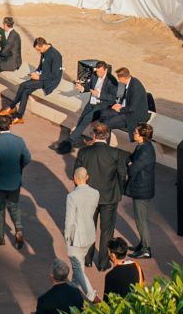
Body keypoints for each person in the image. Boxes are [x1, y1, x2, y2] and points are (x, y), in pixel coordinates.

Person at [74, 124, 128, 266]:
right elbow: (122, 175)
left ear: (94, 135)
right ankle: (103, 263)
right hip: (109, 197)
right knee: (107, 230)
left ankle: (87, 260)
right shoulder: (116, 153)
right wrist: (120, 190)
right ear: (108, 136)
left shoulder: (84, 152)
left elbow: (76, 174)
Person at [0, 113, 31, 252]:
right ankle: (18, 229)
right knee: (15, 206)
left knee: (0, 207)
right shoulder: (19, 140)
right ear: (10, 125)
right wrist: (19, 168)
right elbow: (27, 158)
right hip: (14, 179)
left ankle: (0, 236)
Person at [62, 166, 99, 297]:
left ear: (75, 178)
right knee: (80, 264)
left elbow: (69, 219)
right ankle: (72, 289)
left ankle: (91, 295)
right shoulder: (96, 193)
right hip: (90, 234)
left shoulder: (72, 196)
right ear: (87, 177)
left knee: (77, 268)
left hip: (76, 237)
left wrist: (67, 237)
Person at [6, 35, 60, 122]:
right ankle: (19, 117)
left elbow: (54, 74)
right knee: (25, 92)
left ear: (42, 45)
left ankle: (12, 106)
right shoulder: (44, 52)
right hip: (41, 77)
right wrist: (35, 72)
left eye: (38, 49)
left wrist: (39, 77)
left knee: (23, 85)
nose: (39, 52)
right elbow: (41, 67)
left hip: (49, 81)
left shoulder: (55, 55)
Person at [124, 122, 157, 257]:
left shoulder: (145, 151)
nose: (133, 133)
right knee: (140, 218)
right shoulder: (142, 146)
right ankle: (143, 243)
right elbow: (129, 159)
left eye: (136, 133)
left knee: (141, 220)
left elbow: (132, 169)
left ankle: (146, 249)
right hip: (141, 187)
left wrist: (130, 163)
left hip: (142, 189)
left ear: (142, 136)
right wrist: (130, 162)